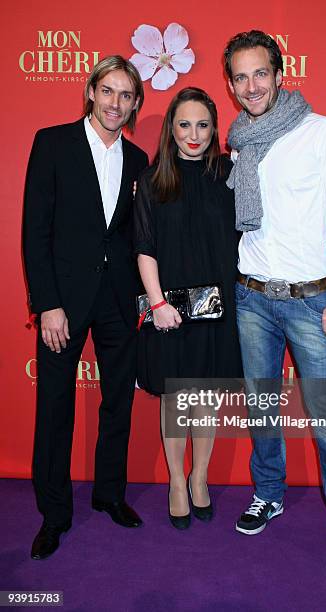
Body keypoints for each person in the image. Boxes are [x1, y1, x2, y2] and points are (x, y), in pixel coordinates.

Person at [223, 30, 326, 582]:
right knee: (261, 410)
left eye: (259, 73)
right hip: (251, 299)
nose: (250, 86)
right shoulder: (240, 139)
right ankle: (268, 493)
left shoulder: (321, 132)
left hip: (312, 303)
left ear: (280, 73)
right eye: (239, 77)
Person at [23, 55, 148, 560]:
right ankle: (54, 514)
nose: (116, 103)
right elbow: (36, 231)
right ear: (91, 91)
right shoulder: (52, 143)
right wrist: (47, 304)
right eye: (108, 91)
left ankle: (109, 494)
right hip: (65, 303)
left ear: (136, 103)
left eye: (126, 95)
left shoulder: (140, 160)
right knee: (55, 407)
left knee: (119, 402)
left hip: (119, 301)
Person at [134, 87, 242, 529]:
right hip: (170, 311)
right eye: (184, 124)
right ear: (170, 129)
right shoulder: (153, 179)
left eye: (202, 124)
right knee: (177, 399)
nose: (193, 134)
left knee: (205, 399)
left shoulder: (229, 176)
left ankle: (200, 479)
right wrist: (157, 302)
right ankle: (177, 481)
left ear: (215, 128)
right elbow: (144, 248)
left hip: (219, 306)